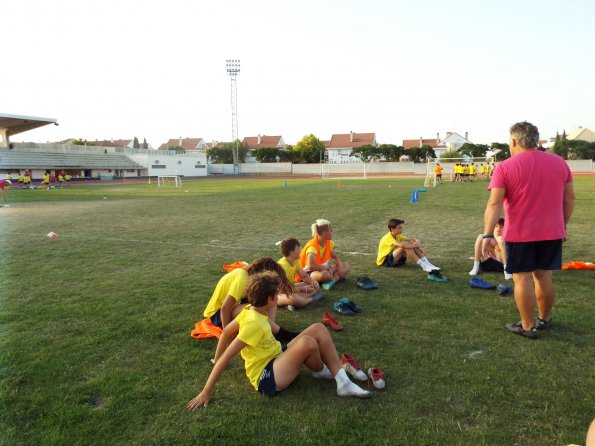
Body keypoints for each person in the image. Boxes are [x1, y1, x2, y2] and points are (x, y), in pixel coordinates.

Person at [187, 271, 372, 409]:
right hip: (266, 376)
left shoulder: (250, 309)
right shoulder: (254, 323)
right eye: (277, 295)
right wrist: (206, 391)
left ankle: (341, 381)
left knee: (318, 328)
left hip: (276, 357)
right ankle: (328, 372)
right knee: (307, 342)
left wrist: (215, 358)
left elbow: (226, 331)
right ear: (269, 299)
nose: (279, 297)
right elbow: (228, 355)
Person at [482, 121, 574, 339]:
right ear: (536, 140)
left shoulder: (505, 166)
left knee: (522, 279)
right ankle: (545, 318)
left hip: (520, 234)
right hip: (551, 233)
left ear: (514, 141)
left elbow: (494, 204)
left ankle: (527, 325)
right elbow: (569, 199)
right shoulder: (560, 163)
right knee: (544, 277)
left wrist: (487, 234)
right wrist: (562, 225)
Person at [202, 257, 298, 342]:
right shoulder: (242, 278)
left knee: (270, 302)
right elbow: (225, 308)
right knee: (254, 309)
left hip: (234, 307)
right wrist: (228, 335)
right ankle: (282, 334)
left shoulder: (251, 279)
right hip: (217, 314)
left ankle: (269, 332)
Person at [376, 218, 441, 272]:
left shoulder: (398, 235)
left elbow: (412, 240)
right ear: (392, 229)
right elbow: (402, 246)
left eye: (401, 227)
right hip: (385, 262)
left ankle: (428, 264)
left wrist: (417, 242)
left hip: (396, 260)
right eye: (399, 228)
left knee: (410, 244)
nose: (401, 229)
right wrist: (416, 245)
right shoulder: (388, 238)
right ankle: (424, 266)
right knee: (405, 246)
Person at [276, 238, 323, 310]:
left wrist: (313, 283)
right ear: (291, 253)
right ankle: (312, 298)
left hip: (290, 287)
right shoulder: (282, 266)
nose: (300, 250)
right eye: (298, 249)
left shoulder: (296, 261)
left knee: (313, 286)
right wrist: (302, 289)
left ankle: (292, 303)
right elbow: (282, 290)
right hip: (278, 293)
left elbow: (304, 276)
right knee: (294, 298)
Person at [300, 219, 350, 285]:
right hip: (309, 272)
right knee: (325, 275)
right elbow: (311, 266)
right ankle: (335, 277)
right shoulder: (312, 247)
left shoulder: (328, 243)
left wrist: (340, 267)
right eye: (331, 231)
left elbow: (335, 257)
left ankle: (333, 281)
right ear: (325, 233)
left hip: (324, 269)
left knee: (346, 265)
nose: (332, 232)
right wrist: (327, 268)